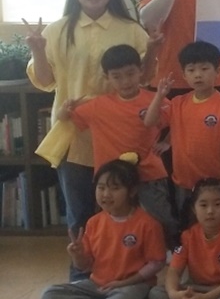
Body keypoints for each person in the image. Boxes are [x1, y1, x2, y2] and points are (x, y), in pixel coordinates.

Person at [25, 0, 153, 279]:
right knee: (80, 211)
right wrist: (38, 49)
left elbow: (148, 76)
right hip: (75, 134)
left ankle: (124, 277)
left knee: (123, 211)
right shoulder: (57, 30)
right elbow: (45, 82)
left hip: (120, 136)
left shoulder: (130, 29)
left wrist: (155, 48)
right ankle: (83, 279)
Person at [62, 45, 176, 248]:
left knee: (162, 219)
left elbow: (180, 121)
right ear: (107, 77)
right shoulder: (97, 106)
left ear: (141, 71)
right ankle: (115, 259)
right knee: (112, 223)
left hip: (149, 175)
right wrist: (64, 110)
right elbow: (66, 118)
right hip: (111, 180)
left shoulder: (155, 99)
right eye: (117, 76)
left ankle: (174, 254)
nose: (125, 81)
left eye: (130, 74)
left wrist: (167, 142)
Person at [35, 157, 165, 299]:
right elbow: (84, 266)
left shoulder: (147, 223)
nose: (106, 194)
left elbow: (156, 263)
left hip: (131, 286)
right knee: (49, 296)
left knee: (128, 298)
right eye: (101, 187)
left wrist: (123, 283)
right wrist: (77, 255)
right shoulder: (94, 222)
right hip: (98, 286)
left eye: (115, 188)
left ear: (132, 191)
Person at [144, 41, 220, 228]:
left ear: (217, 72)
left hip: (215, 181)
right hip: (184, 183)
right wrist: (159, 96)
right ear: (184, 75)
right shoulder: (178, 103)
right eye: (191, 70)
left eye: (204, 69)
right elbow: (149, 121)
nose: (198, 74)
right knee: (188, 228)